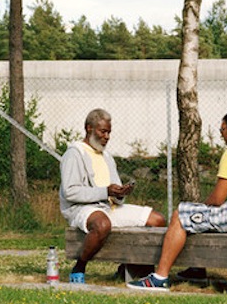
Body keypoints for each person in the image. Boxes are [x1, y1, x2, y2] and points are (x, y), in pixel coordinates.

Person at [127, 109, 227, 291]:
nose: (222, 135)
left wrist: (201, 206)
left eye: (222, 130)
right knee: (198, 217)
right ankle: (196, 268)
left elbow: (217, 198)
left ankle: (159, 278)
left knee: (181, 215)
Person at [60, 108, 166, 284]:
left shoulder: (107, 156)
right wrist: (105, 191)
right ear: (89, 129)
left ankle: (138, 270)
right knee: (102, 224)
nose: (107, 136)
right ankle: (79, 267)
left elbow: (113, 190)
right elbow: (70, 192)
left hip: (109, 206)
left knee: (158, 220)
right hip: (81, 208)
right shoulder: (74, 153)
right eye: (103, 131)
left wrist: (120, 194)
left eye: (109, 132)